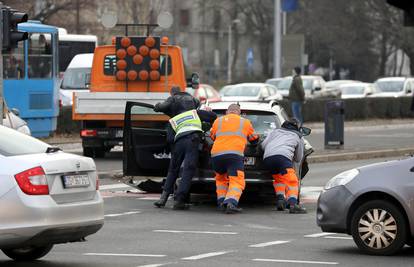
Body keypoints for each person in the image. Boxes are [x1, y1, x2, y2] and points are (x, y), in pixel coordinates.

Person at [153, 87, 216, 210]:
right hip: (192, 141)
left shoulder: (173, 120)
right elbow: (213, 116)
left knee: (172, 170)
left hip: (178, 143)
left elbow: (170, 139)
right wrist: (207, 111)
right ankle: (179, 201)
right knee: (188, 169)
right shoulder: (196, 113)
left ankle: (162, 199)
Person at [210, 104, 259, 214]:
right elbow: (254, 139)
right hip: (234, 155)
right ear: (239, 112)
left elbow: (212, 136)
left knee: (221, 179)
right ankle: (231, 202)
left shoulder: (218, 121)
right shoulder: (245, 122)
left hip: (216, 154)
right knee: (236, 180)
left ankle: (221, 202)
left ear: (227, 112)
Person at [261, 119, 307, 214]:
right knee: (292, 181)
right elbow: (298, 158)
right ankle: (293, 204)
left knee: (279, 179)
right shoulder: (298, 136)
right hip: (283, 158)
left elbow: (263, 145)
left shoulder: (275, 132)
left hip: (267, 158)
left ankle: (281, 200)